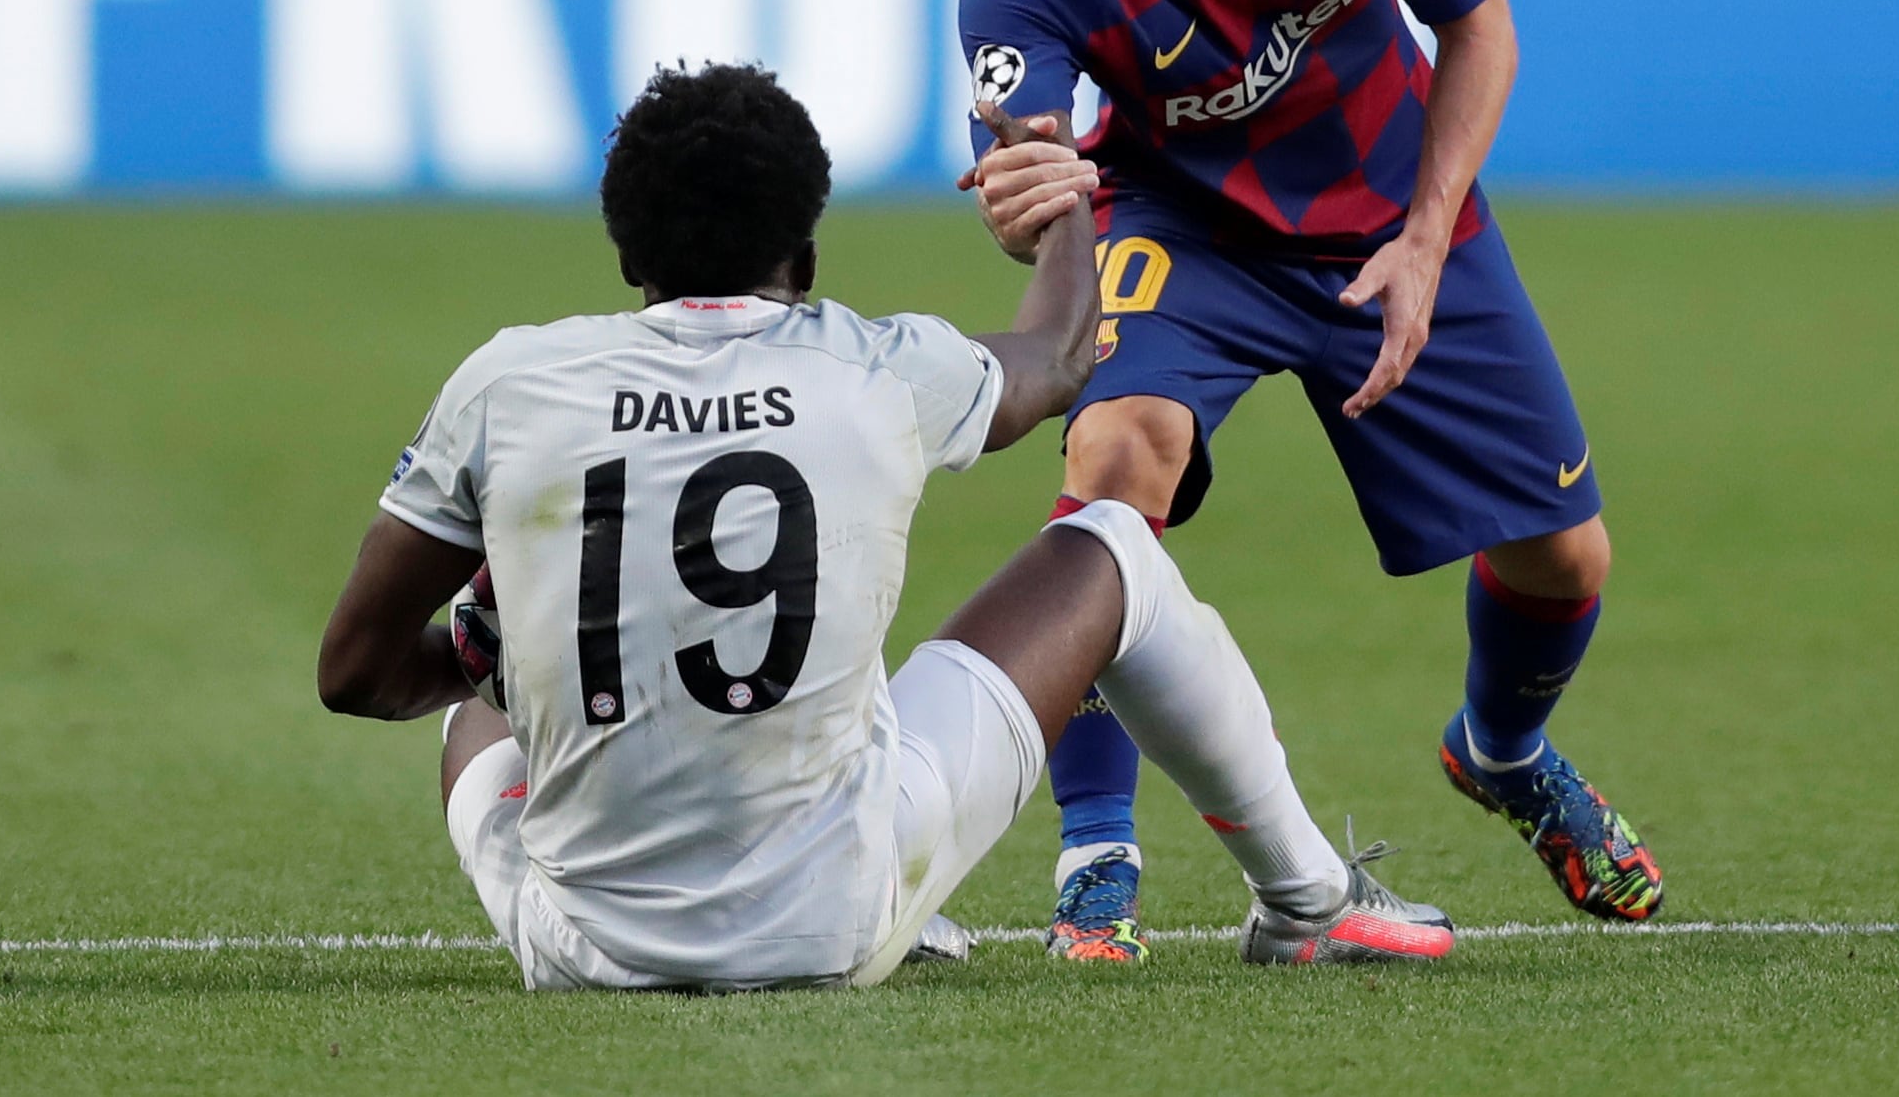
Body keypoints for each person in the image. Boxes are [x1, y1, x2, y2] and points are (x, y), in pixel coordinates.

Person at [317, 63, 1454, 991]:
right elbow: (1062, 358)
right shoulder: (871, 363)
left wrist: (488, 656)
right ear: (804, 256)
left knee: (482, 692)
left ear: (626, 256)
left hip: (580, 951)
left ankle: (547, 751)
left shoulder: (510, 380)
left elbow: (355, 672)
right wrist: (1061, 197)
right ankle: (1308, 898)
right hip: (838, 918)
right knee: (1112, 541)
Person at [956, 0, 1663, 962]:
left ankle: (1500, 750)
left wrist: (1426, 235)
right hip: (1181, 224)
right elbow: (1040, 198)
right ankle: (1095, 850)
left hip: (1393, 208)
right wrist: (1026, 214)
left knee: (1562, 555)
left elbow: (1476, 23)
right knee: (1116, 464)